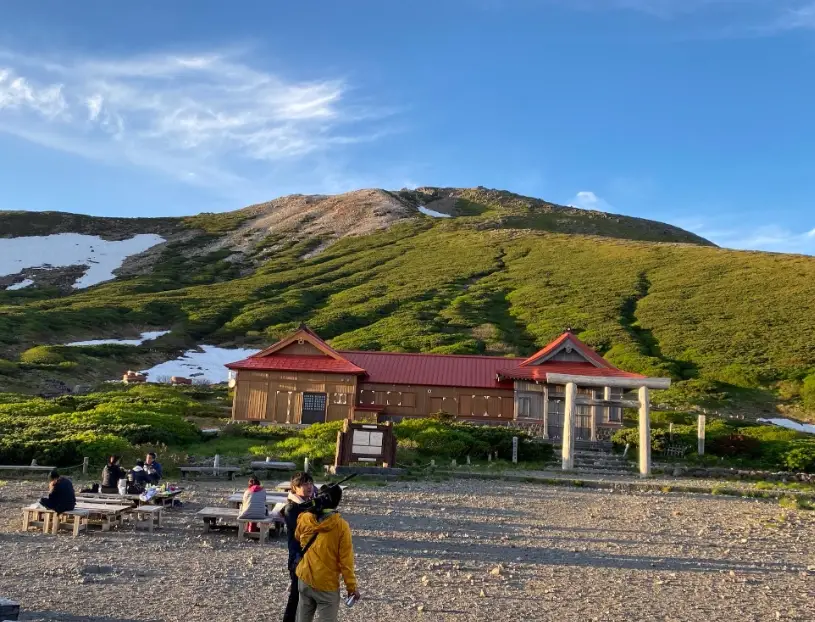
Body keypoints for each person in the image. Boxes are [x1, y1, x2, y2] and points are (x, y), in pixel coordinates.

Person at [294, 485, 359, 622]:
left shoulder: (305, 517)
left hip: (304, 577)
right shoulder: (341, 526)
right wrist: (351, 587)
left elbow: (297, 536)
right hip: (326, 583)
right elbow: (346, 561)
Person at [282, 472, 315, 622]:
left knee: (306, 598)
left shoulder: (308, 503)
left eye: (310, 483)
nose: (309, 487)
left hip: (311, 557)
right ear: (295, 488)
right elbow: (302, 532)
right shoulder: (291, 508)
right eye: (305, 484)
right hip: (297, 557)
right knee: (296, 596)